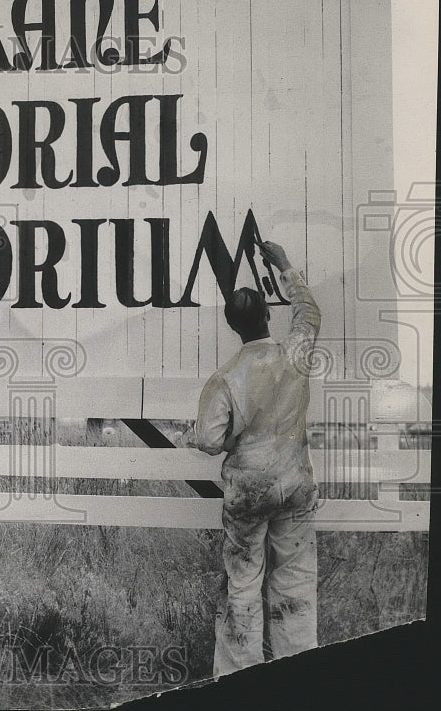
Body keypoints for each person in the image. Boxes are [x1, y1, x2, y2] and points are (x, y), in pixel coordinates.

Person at [195, 240, 322, 677]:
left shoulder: (225, 377)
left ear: (234, 325)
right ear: (268, 315)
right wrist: (284, 263)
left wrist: (236, 439)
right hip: (295, 485)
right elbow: (309, 312)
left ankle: (237, 679)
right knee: (296, 580)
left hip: (249, 493)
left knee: (242, 584)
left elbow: (209, 439)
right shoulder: (294, 355)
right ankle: (298, 671)